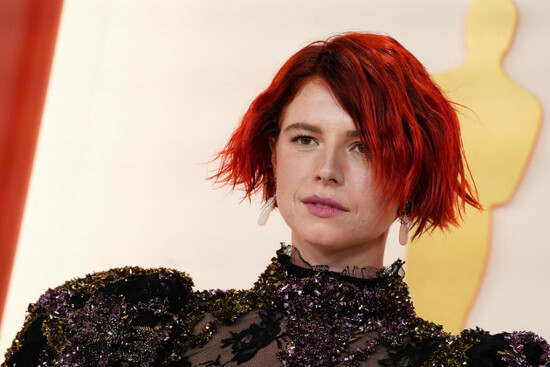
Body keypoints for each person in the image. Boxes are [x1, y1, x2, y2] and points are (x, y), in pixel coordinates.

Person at [2, 32, 549, 367]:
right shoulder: (127, 323)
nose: (326, 171)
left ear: (412, 175)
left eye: (364, 148)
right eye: (305, 139)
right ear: (273, 154)